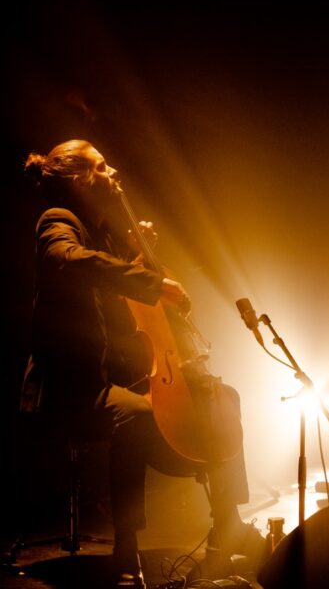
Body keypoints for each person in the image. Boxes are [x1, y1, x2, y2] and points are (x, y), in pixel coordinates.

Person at [20, 139, 264, 587]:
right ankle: (126, 545)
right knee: (139, 416)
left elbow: (118, 294)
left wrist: (136, 254)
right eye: (101, 166)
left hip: (118, 375)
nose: (113, 172)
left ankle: (227, 523)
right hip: (71, 389)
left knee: (221, 399)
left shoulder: (102, 233)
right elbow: (65, 259)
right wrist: (150, 281)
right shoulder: (59, 221)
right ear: (79, 180)